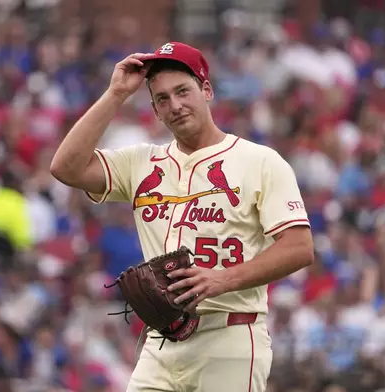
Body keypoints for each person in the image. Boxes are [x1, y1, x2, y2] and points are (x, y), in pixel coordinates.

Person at [50, 42, 314, 392]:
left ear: (206, 90)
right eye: (161, 99)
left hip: (230, 336)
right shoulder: (140, 162)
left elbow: (299, 247)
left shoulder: (260, 161)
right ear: (155, 112)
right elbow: (64, 167)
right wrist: (115, 94)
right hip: (162, 343)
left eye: (182, 91)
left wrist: (222, 279)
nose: (174, 105)